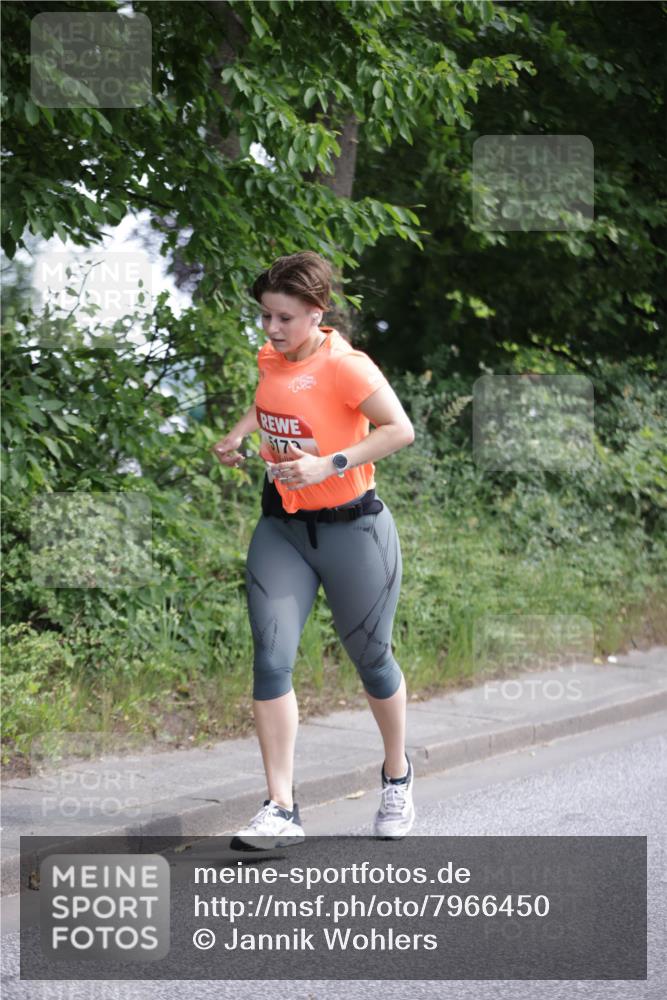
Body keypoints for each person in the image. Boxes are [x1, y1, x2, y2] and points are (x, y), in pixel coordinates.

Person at [212, 251, 416, 848]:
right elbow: (273, 401)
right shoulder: (271, 357)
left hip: (354, 530)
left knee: (372, 659)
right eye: (266, 317)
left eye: (285, 318)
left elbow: (399, 430)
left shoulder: (347, 367)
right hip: (282, 529)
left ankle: (397, 776)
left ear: (316, 312)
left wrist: (327, 463)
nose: (272, 329)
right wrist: (240, 432)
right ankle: (280, 806)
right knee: (271, 658)